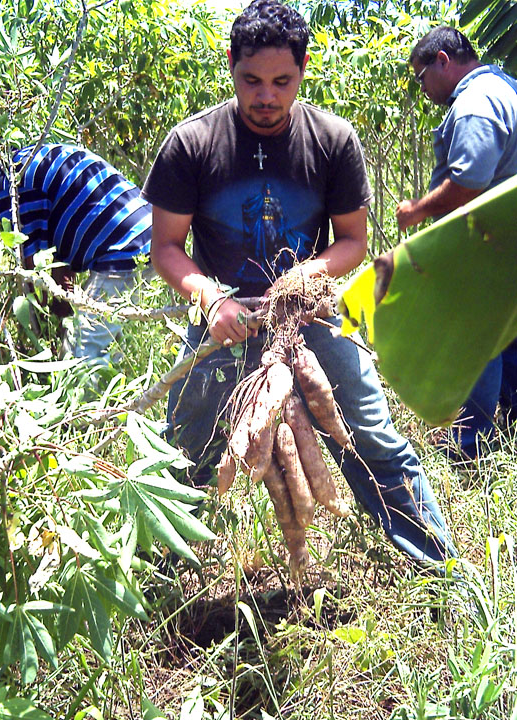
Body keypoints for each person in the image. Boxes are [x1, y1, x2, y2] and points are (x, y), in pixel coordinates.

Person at [142, 0, 456, 566]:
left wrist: (310, 272)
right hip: (225, 323)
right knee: (179, 457)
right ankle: (163, 589)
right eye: (252, 80)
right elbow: (166, 247)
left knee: (373, 442)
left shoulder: (332, 140)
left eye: (281, 81)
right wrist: (209, 295)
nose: (266, 96)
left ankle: (436, 570)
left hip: (309, 317)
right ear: (232, 67)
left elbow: (353, 242)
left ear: (304, 69)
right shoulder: (193, 144)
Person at [396, 26, 517, 459]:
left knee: (476, 342)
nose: (422, 87)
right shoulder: (504, 86)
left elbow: (468, 181)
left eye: (422, 76)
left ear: (443, 61)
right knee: (506, 336)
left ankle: (469, 450)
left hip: (491, 250)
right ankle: (506, 432)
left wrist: (419, 210)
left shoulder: (474, 104)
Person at [0, 142, 153, 366]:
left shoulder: (6, 185)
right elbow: (62, 249)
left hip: (123, 250)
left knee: (79, 361)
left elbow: (29, 272)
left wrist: (36, 340)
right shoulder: (33, 156)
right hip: (151, 232)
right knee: (112, 350)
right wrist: (63, 313)